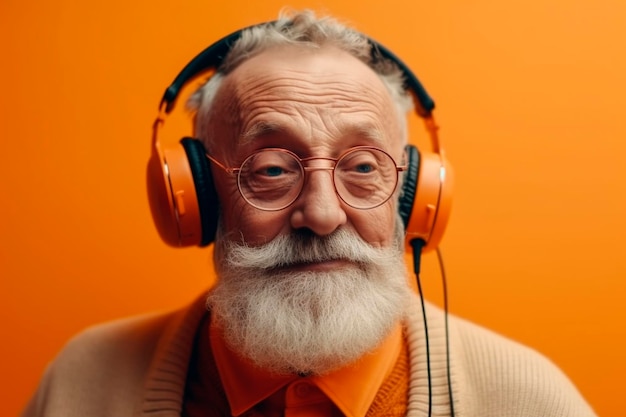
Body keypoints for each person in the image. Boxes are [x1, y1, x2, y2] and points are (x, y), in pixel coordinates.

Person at [22, 9, 596, 417]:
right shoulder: (80, 382)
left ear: (415, 197)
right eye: (271, 169)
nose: (322, 214)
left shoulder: (533, 400)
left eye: (364, 167)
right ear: (196, 198)